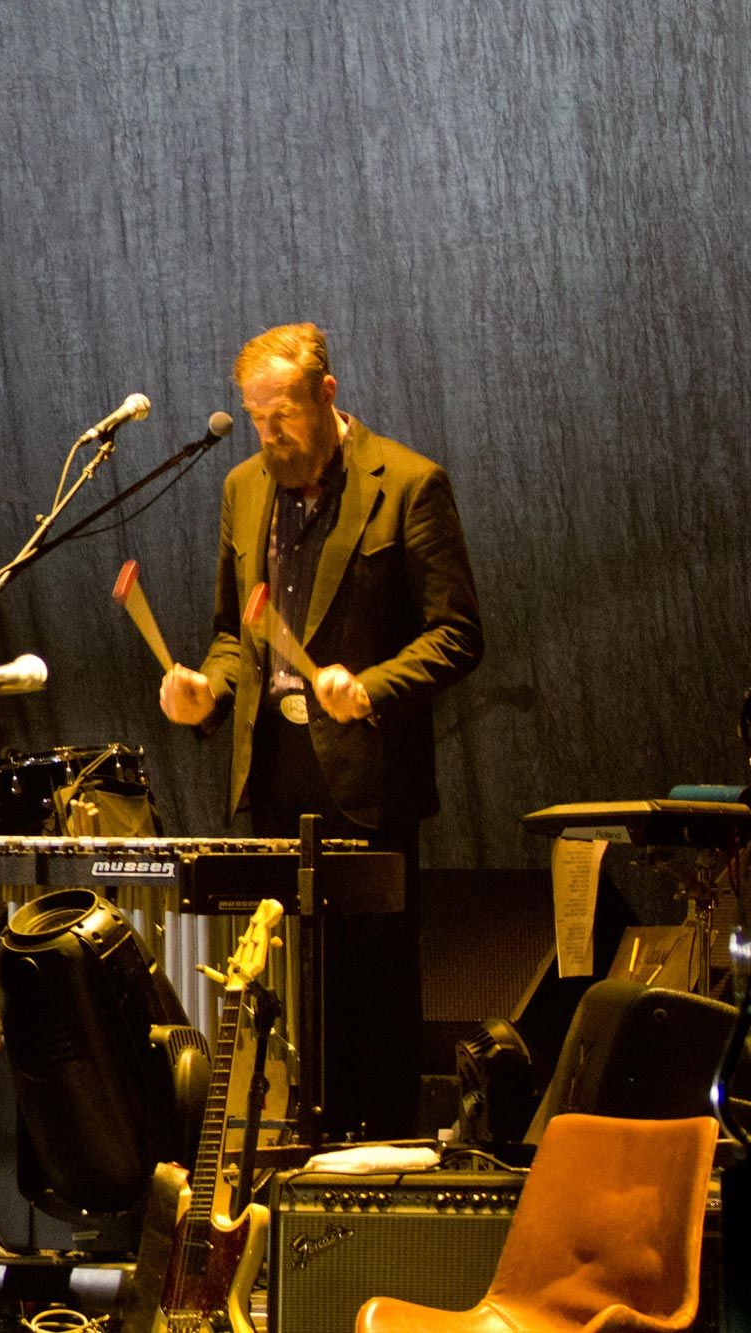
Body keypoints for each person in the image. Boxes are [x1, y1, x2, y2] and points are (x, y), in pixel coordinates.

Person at [159, 322, 483, 1139]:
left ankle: (378, 1161)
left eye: (284, 416)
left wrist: (369, 685)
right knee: (283, 993)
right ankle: (297, 1154)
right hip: (275, 769)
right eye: (256, 417)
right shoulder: (241, 489)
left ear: (327, 395)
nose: (270, 435)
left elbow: (457, 633)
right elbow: (236, 635)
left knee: (369, 995)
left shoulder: (409, 483)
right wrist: (206, 688)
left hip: (367, 778)